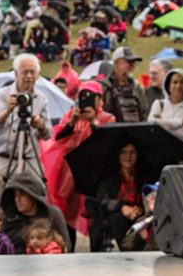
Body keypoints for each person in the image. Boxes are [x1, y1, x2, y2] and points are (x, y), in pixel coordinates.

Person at [40, 80, 115, 250]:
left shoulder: (107, 118)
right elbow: (57, 137)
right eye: (83, 96)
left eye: (91, 97)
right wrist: (71, 123)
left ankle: (98, 250)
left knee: (95, 213)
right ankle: (69, 248)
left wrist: (93, 122)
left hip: (95, 174)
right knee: (67, 214)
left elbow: (108, 141)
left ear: (99, 99)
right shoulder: (71, 116)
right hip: (70, 174)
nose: (87, 101)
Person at [0, 54, 52, 204]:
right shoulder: (2, 94)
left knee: (38, 191)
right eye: (24, 72)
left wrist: (40, 125)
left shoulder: (41, 98)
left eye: (32, 72)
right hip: (4, 154)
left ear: (38, 74)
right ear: (16, 73)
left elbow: (48, 134)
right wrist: (7, 111)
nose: (28, 76)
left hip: (30, 157)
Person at [90, 143, 147, 252]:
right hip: (115, 221)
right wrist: (122, 207)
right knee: (117, 219)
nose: (128, 156)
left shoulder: (144, 177)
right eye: (123, 152)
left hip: (140, 218)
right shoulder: (108, 178)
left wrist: (140, 210)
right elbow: (103, 201)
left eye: (132, 152)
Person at [0, 172, 70, 254]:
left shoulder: (53, 215)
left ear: (33, 196)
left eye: (22, 195)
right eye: (15, 195)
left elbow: (66, 246)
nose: (17, 199)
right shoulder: (9, 218)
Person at [147, 68, 183, 142]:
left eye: (182, 82)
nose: (178, 86)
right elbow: (151, 125)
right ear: (169, 86)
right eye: (175, 82)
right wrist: (179, 122)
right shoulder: (159, 105)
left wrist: (162, 124)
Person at [100, 47, 147, 123]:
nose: (132, 66)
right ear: (116, 63)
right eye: (129, 62)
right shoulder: (104, 87)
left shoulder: (137, 87)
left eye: (133, 62)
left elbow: (144, 112)